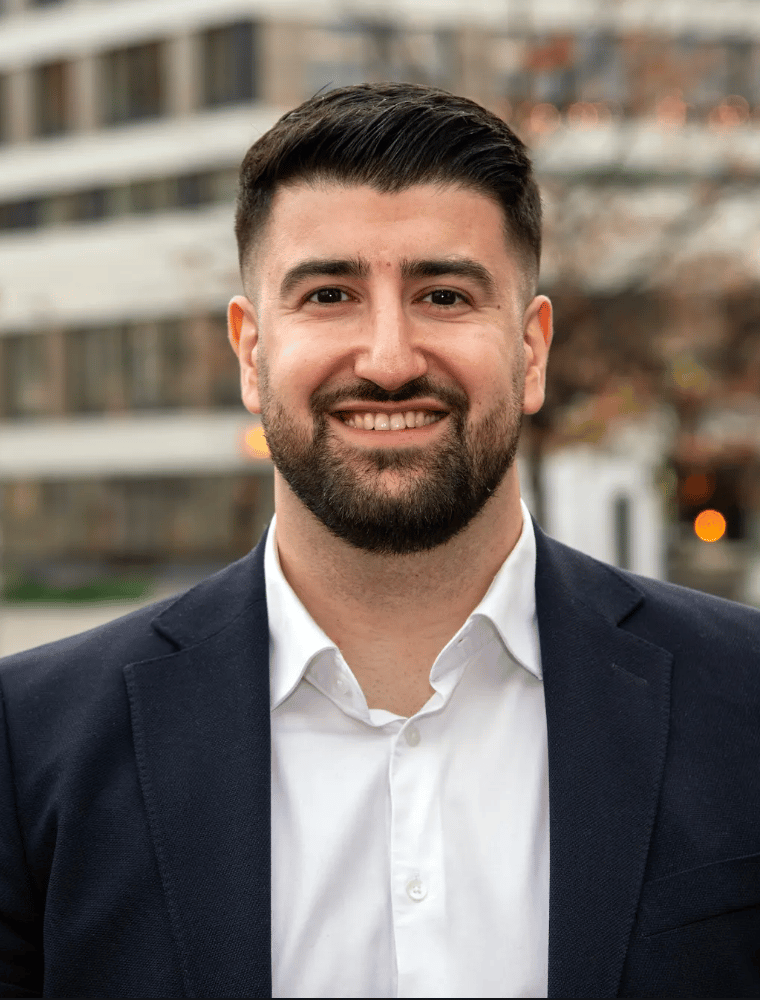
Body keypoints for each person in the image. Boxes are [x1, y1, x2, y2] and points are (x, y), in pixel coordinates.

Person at [1, 82, 759, 1000]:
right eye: (329, 294)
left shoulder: (742, 701)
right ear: (251, 355)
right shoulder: (31, 742)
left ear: (533, 351)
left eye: (444, 294)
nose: (390, 360)